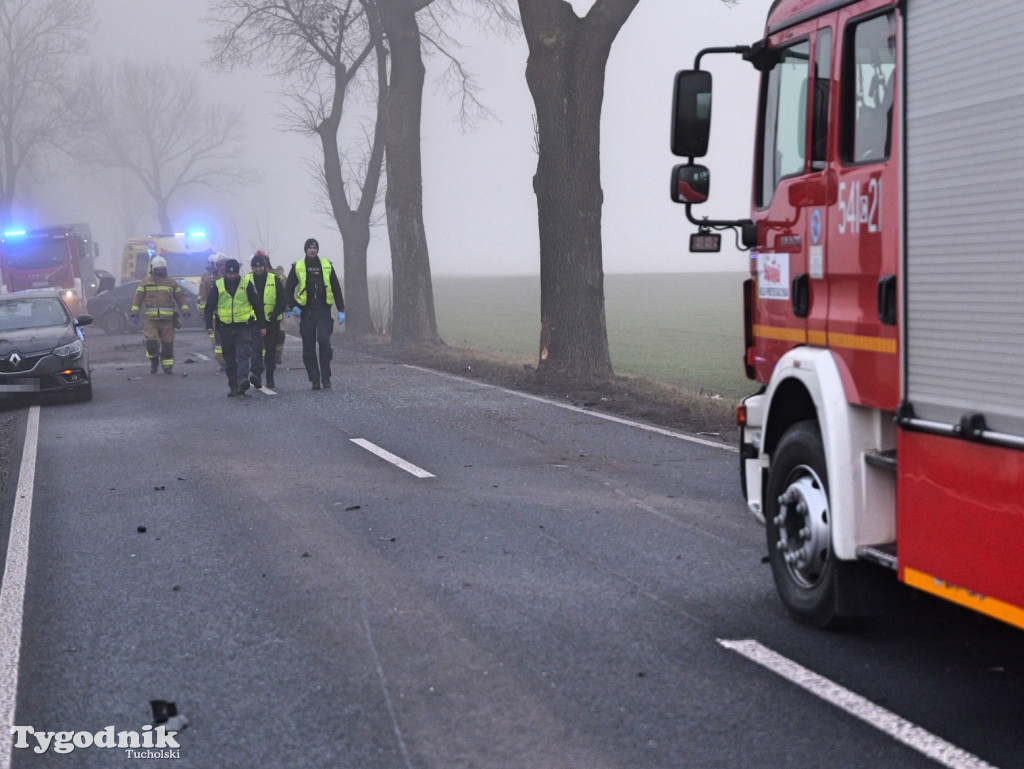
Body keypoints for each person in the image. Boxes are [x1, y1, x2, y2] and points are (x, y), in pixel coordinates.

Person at [284, 238, 345, 390]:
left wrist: (341, 309)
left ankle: (326, 377)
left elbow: (336, 287)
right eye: (310, 247)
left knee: (324, 341)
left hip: (323, 310)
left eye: (315, 247)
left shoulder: (326, 265)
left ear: (317, 249)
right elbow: (288, 290)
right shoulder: (297, 266)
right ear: (305, 249)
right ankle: (315, 379)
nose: (312, 250)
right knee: (308, 347)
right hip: (306, 312)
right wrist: (293, 306)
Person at [204, 258, 266, 397]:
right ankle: (233, 385)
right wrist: (209, 325)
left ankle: (242, 380)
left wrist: (262, 325)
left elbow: (257, 305)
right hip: (224, 327)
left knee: (243, 354)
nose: (232, 276)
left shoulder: (246, 284)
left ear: (238, 273)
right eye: (230, 274)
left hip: (243, 326)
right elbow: (209, 307)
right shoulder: (218, 285)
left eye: (235, 274)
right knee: (229, 358)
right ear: (226, 273)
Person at [130, 256, 190, 374]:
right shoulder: (145, 282)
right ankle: (154, 361)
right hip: (151, 320)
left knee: (168, 345)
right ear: (152, 269)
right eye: (158, 270)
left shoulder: (171, 282)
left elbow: (180, 298)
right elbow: (137, 298)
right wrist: (134, 313)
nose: (161, 272)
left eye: (163, 269)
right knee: (151, 344)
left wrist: (185, 311)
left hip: (168, 320)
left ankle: (167, 367)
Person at [243, 251, 285, 389]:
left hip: (271, 321)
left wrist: (276, 312)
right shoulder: (246, 280)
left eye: (260, 266)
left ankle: (270, 377)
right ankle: (256, 375)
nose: (258, 269)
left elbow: (282, 300)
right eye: (255, 267)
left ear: (265, 266)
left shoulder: (274, 279)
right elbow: (242, 300)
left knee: (270, 350)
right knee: (256, 348)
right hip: (254, 321)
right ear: (252, 267)